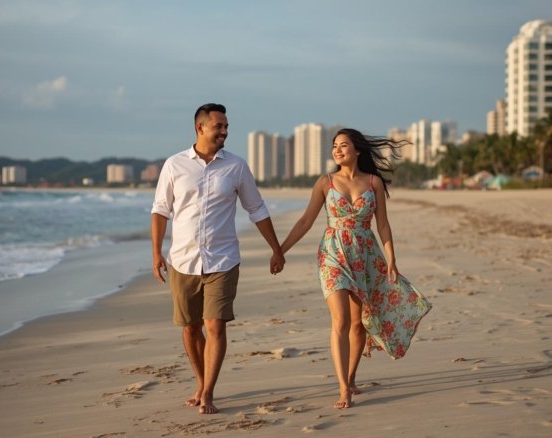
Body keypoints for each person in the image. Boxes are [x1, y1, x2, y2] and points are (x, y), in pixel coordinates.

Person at [277, 128, 431, 409]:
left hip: (365, 255)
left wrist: (392, 259)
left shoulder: (373, 183)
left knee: (358, 325)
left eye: (343, 145)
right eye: (334, 146)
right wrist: (280, 250)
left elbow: (382, 224)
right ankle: (342, 389)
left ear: (357, 150)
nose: (337, 150)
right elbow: (305, 221)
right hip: (333, 253)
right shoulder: (325, 183)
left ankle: (350, 377)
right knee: (340, 320)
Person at [151, 103, 285, 415]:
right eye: (219, 127)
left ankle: (208, 392)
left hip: (223, 260)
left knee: (215, 326)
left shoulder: (236, 166)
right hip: (183, 260)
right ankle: (200, 381)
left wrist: (276, 249)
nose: (225, 131)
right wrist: (156, 252)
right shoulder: (174, 165)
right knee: (189, 327)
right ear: (200, 128)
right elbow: (160, 210)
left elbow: (257, 209)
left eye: (226, 127)